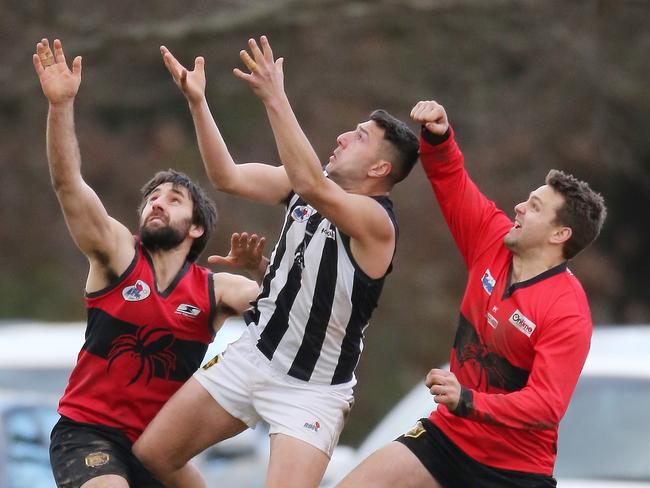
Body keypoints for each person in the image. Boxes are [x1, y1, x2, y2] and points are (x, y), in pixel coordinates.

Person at [132, 36, 420, 488]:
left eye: (360, 137)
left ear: (380, 170)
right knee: (153, 454)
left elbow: (309, 181)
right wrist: (198, 101)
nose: (343, 137)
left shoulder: (375, 222)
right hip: (253, 354)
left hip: (311, 391)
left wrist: (274, 95)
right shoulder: (308, 187)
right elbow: (226, 176)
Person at [336, 100, 607, 488]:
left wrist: (468, 399)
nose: (518, 207)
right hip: (447, 438)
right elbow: (451, 180)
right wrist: (440, 136)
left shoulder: (567, 311)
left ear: (559, 234)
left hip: (511, 470)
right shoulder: (493, 241)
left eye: (533, 207)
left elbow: (547, 406)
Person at [33, 38, 267, 488]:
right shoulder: (118, 254)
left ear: (196, 228)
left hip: (160, 448)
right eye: (151, 199)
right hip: (88, 434)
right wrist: (60, 106)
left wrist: (264, 271)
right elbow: (68, 185)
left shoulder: (217, 291)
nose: (157, 205)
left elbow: (285, 311)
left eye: (173, 200)